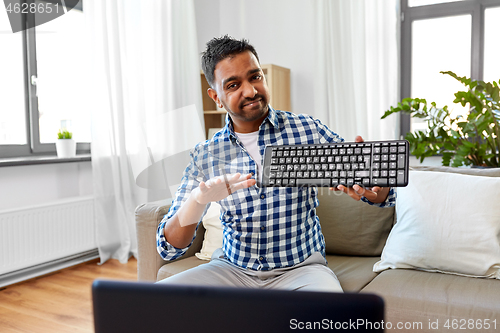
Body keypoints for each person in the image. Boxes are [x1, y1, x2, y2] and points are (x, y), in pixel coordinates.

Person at [156, 35, 395, 292]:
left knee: (330, 318)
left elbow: (381, 193)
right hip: (232, 270)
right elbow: (169, 247)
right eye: (234, 85)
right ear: (216, 97)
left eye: (255, 77)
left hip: (302, 270)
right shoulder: (206, 154)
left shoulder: (307, 130)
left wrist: (373, 184)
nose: (250, 91)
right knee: (154, 304)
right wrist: (198, 200)